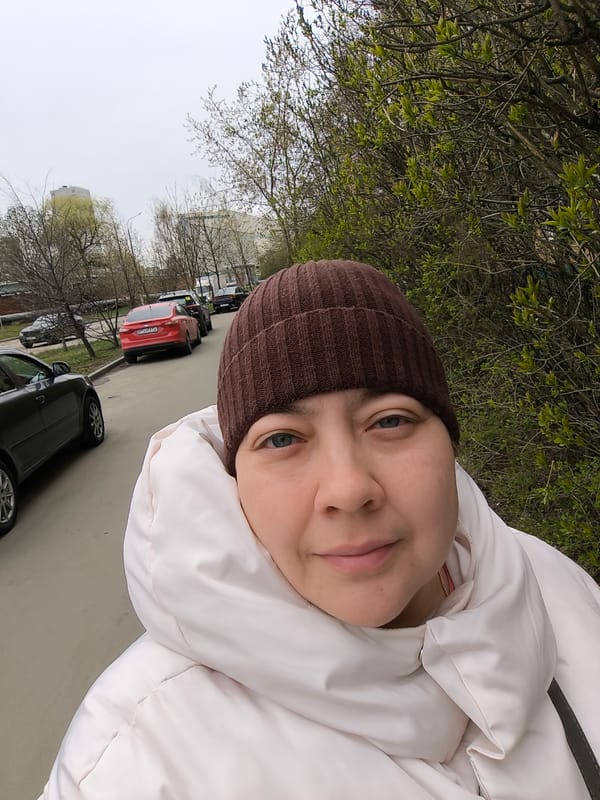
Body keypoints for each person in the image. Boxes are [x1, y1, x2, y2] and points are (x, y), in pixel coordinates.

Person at [40, 260, 600, 799]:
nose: (348, 489)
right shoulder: (134, 759)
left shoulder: (552, 585)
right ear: (235, 482)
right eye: (282, 439)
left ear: (448, 440)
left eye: (390, 421)